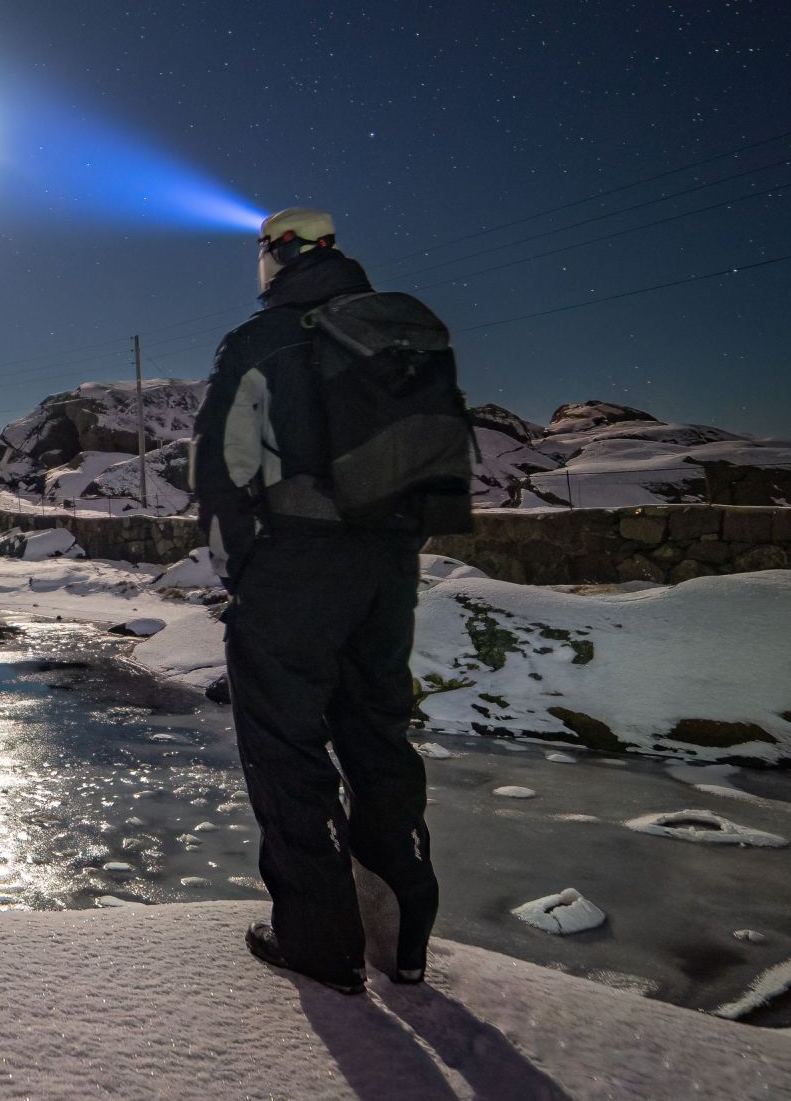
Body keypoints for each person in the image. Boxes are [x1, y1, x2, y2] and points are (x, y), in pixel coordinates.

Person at [192, 206, 471, 995]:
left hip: (295, 565)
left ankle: (322, 944)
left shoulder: (260, 341)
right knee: (378, 735)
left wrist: (242, 575)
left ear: (272, 258)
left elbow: (220, 470)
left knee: (287, 746)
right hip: (388, 566)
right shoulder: (392, 334)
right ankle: (402, 937)